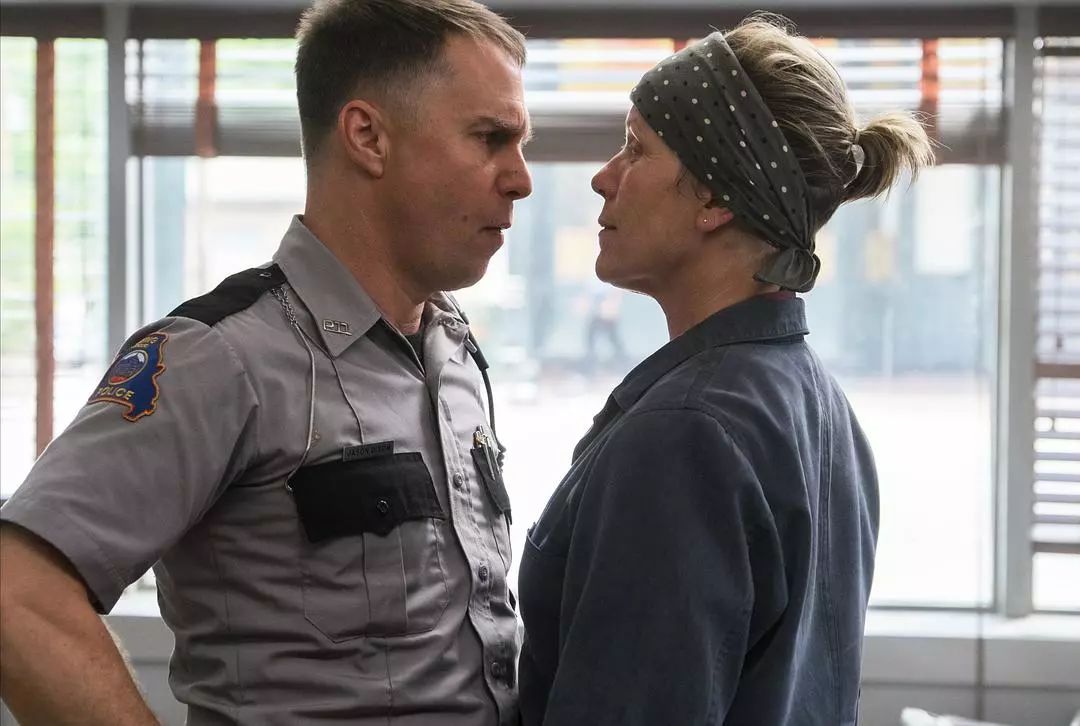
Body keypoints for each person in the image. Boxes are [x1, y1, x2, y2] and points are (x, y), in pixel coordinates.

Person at [0, 1, 531, 724]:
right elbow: (17, 591)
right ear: (369, 137)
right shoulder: (221, 356)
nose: (521, 179)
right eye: (491, 138)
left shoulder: (453, 350)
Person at [518, 15, 932, 726]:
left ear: (714, 199)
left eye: (635, 149)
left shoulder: (685, 436)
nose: (602, 178)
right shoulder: (816, 403)